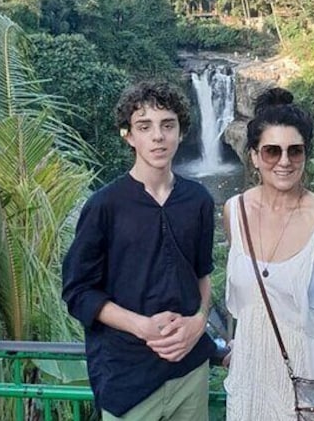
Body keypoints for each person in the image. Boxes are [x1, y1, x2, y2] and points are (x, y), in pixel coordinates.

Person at [62, 81, 216, 421]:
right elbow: (78, 291)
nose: (158, 137)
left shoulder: (198, 200)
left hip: (190, 371)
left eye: (167, 125)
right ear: (129, 136)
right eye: (145, 127)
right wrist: (141, 326)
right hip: (127, 377)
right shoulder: (105, 206)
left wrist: (199, 321)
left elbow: (202, 275)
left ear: (181, 132)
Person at [223, 87, 314, 420]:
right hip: (251, 373)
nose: (284, 161)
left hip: (310, 376)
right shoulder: (235, 212)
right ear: (254, 156)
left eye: (294, 151)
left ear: (305, 155)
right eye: (272, 151)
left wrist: (309, 335)